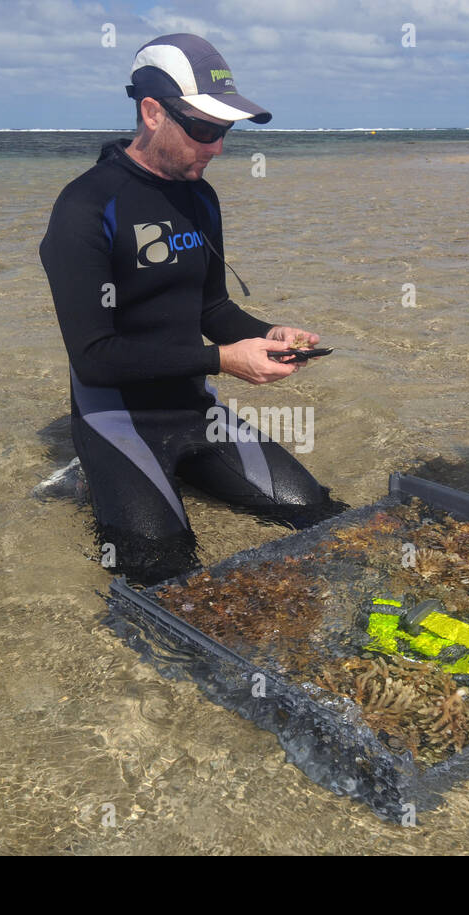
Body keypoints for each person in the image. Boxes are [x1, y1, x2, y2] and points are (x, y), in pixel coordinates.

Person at [39, 33, 338, 584]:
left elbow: (213, 308)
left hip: (195, 408)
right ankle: (90, 473)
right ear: (152, 112)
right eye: (204, 129)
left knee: (320, 518)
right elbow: (94, 359)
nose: (217, 147)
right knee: (164, 575)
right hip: (118, 416)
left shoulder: (198, 195)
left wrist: (269, 334)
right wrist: (223, 361)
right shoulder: (85, 207)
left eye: (224, 131)